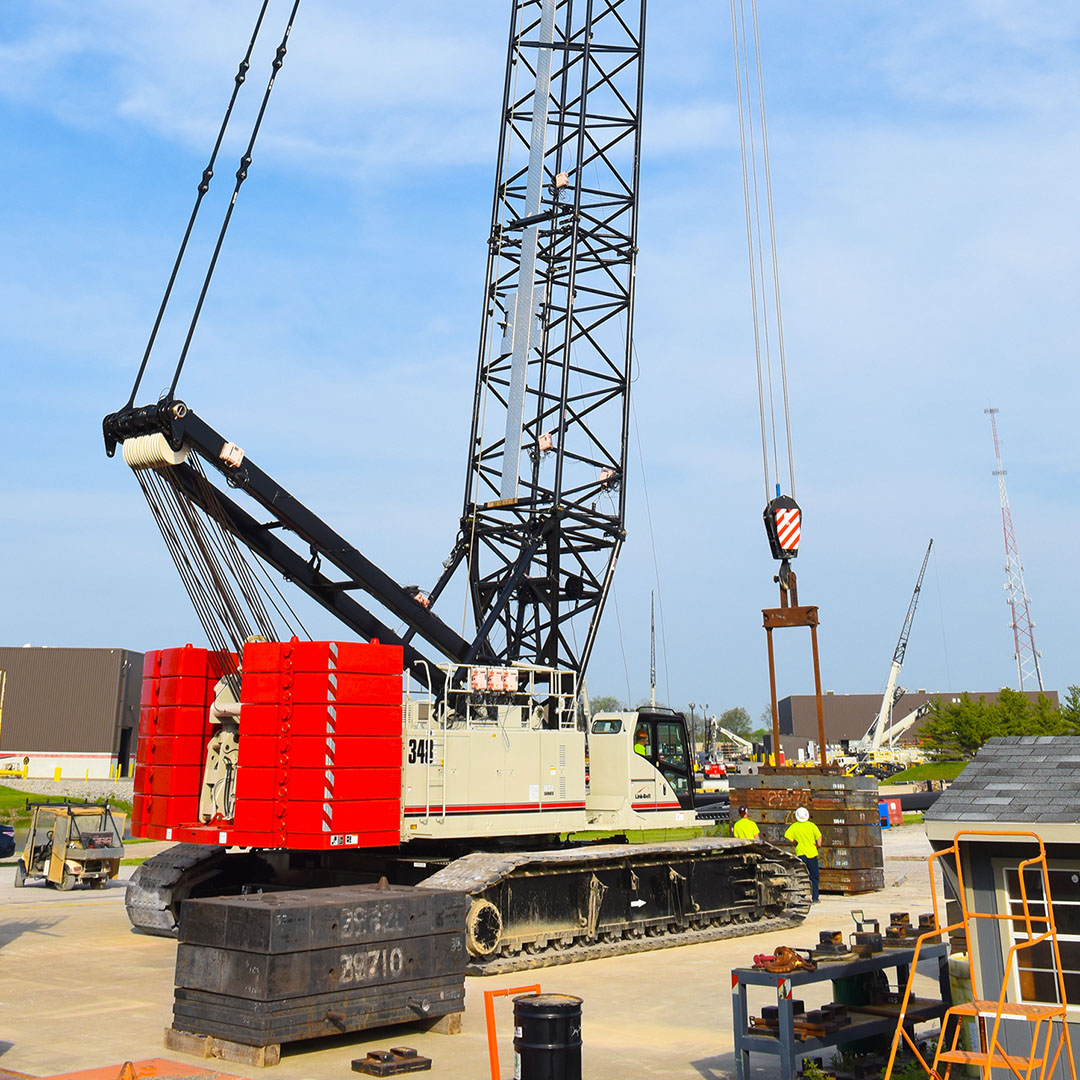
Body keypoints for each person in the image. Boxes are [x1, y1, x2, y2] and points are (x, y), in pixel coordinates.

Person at [784, 805, 823, 903]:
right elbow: (819, 837)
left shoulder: (794, 826)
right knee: (814, 877)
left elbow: (787, 835)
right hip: (812, 853)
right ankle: (815, 898)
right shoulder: (812, 826)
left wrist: (795, 841)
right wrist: (818, 845)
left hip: (801, 853)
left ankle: (802, 896)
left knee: (801, 876)